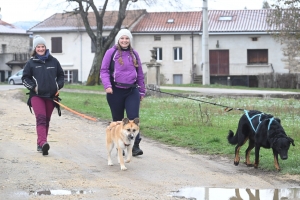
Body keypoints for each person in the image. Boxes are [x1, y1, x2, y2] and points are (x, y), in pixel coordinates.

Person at [100, 29, 146, 156]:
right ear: (118, 40)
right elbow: (103, 70)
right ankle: (121, 145)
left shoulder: (134, 54)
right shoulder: (111, 53)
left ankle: (135, 145)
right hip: (115, 91)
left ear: (130, 40)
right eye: (122, 38)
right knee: (118, 120)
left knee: (133, 119)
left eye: (127, 38)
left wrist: (142, 91)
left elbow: (140, 74)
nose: (124, 41)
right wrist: (107, 85)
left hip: (132, 90)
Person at [22, 35, 64, 156]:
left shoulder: (54, 61)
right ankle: (43, 142)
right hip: (37, 96)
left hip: (51, 96)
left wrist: (57, 86)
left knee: (46, 119)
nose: (41, 49)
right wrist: (34, 87)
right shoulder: (31, 63)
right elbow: (25, 78)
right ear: (35, 48)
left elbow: (61, 75)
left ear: (46, 47)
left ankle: (40, 143)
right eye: (38, 47)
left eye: (43, 46)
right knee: (40, 118)